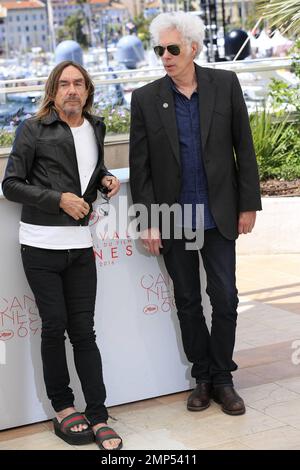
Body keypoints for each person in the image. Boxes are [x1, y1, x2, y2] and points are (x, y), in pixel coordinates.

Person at [129, 12, 262, 416]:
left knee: (225, 298)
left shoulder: (225, 84)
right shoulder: (146, 98)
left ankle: (223, 378)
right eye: (159, 50)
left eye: (172, 49)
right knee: (187, 301)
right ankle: (202, 378)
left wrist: (248, 203)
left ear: (193, 48)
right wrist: (148, 219)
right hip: (173, 217)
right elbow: (141, 168)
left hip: (219, 213)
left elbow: (245, 145)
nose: (165, 57)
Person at [2, 61, 123, 450]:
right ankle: (63, 407)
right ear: (53, 91)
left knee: (84, 331)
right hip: (40, 245)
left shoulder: (95, 127)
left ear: (87, 91)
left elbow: (88, 168)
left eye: (79, 84)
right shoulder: (33, 129)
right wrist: (59, 200)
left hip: (81, 247)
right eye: (64, 84)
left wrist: (104, 179)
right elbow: (11, 184)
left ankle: (99, 413)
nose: (72, 90)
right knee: (54, 328)